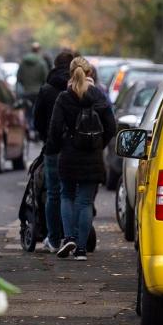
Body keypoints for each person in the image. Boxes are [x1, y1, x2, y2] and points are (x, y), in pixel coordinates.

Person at [46, 57, 116, 261]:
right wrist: (98, 144)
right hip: (92, 156)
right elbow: (111, 127)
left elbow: (55, 128)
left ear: (71, 73)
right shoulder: (99, 96)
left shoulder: (64, 98)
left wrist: (54, 149)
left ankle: (68, 237)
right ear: (90, 74)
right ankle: (82, 250)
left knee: (66, 195)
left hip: (69, 154)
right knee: (85, 201)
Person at [33, 50, 75, 253]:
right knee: (74, 193)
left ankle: (54, 237)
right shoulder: (79, 88)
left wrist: (45, 136)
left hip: (52, 147)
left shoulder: (47, 89)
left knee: (53, 193)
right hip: (75, 148)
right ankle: (75, 236)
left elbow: (37, 120)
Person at [16, 42, 49, 133]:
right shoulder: (41, 62)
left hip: (26, 92)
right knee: (38, 112)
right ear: (39, 50)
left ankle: (29, 129)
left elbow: (19, 77)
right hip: (38, 92)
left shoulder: (23, 62)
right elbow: (45, 78)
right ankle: (36, 130)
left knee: (28, 112)